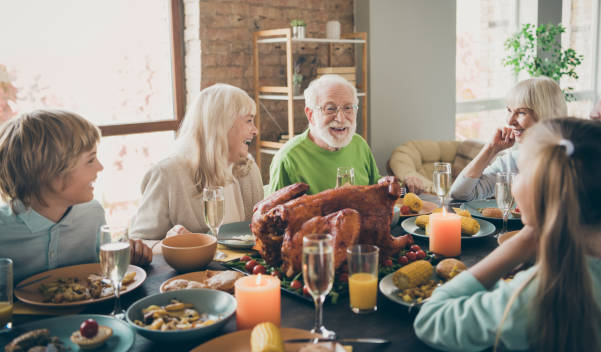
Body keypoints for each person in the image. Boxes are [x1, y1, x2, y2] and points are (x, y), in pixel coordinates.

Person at [414, 118, 601, 351]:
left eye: (520, 173)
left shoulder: (539, 295)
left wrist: (517, 246)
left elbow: (432, 319)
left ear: (539, 189)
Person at [0, 110, 151, 284]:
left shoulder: (92, 213)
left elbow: (103, 274)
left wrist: (131, 254)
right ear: (48, 171)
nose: (100, 167)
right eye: (90, 160)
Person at [130, 83, 264, 240]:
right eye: (249, 121)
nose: (255, 131)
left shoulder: (248, 169)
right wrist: (178, 243)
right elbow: (138, 245)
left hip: (241, 265)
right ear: (222, 124)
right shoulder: (167, 174)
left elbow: (258, 234)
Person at [449, 77, 567, 201]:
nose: (510, 121)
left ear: (546, 114)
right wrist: (491, 149)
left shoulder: (572, 161)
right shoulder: (512, 162)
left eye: (521, 112)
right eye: (509, 110)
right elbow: (460, 193)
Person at [267, 74, 380, 195]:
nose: (341, 119)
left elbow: (380, 191)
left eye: (348, 108)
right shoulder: (288, 158)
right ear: (310, 114)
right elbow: (273, 212)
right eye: (330, 109)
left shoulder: (359, 144)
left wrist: (402, 187)